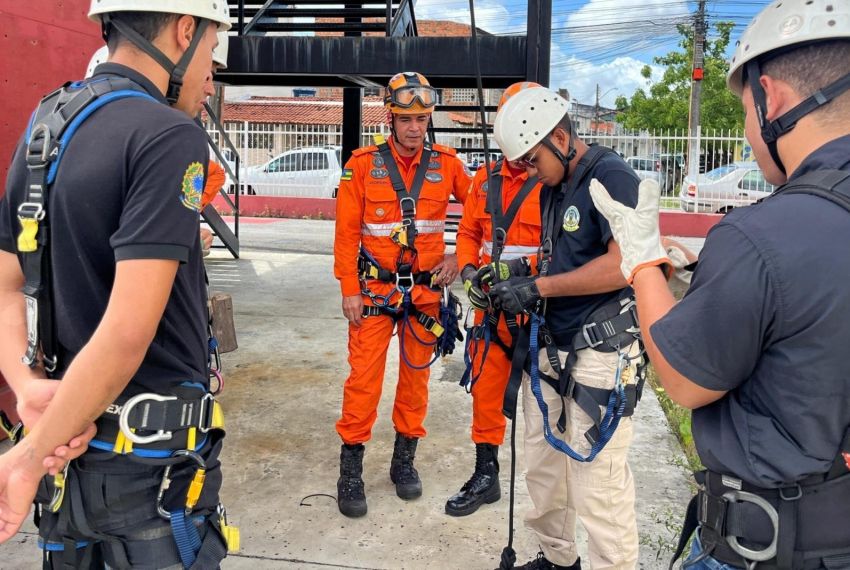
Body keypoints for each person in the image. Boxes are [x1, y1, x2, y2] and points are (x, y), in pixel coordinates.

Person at [588, 1, 850, 568]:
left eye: (745, 112)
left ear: (771, 97)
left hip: (771, 544)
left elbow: (684, 380)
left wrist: (643, 263)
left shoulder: (764, 234)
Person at [0, 2, 236, 567]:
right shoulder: (170, 135)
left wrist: (28, 389)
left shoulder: (48, 121)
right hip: (147, 485)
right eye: (211, 53)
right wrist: (28, 458)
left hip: (71, 473)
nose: (210, 75)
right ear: (184, 31)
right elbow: (128, 331)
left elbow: (7, 283)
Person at [490, 86, 645, 569]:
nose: (528, 172)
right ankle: (559, 559)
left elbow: (627, 265)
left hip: (601, 353)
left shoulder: (611, 177)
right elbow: (563, 257)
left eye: (532, 160)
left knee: (597, 484)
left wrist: (539, 288)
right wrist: (522, 273)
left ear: (560, 137)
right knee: (543, 469)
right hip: (553, 348)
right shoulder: (554, 188)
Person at [333, 71, 471, 518]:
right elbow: (345, 232)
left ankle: (403, 462)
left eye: (423, 118)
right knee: (363, 383)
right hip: (372, 294)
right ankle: (350, 471)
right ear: (390, 117)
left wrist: (459, 257)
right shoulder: (362, 164)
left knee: (416, 383)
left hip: (425, 298)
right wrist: (349, 289)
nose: (415, 128)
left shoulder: (447, 164)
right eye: (407, 118)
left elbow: (482, 214)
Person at [445, 81, 544, 517]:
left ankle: (551, 495)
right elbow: (468, 233)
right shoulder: (484, 180)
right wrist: (469, 272)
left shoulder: (554, 180)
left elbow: (567, 247)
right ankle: (487, 475)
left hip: (540, 309)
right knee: (485, 392)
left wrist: (524, 275)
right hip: (492, 311)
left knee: (546, 406)